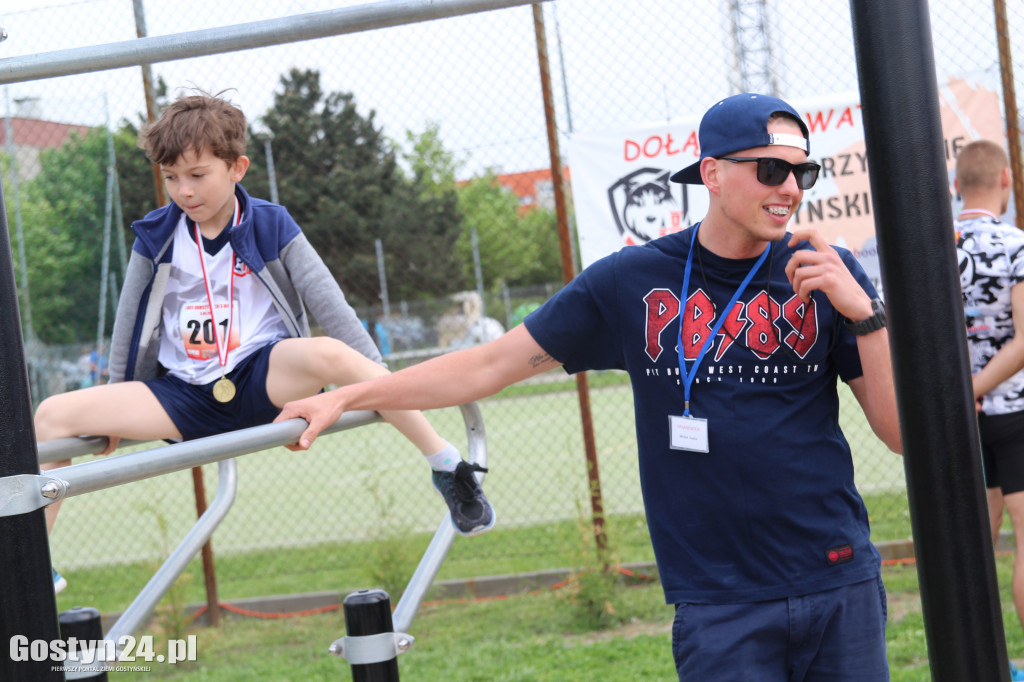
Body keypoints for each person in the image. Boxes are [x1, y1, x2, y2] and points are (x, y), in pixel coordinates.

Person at [276, 93, 901, 679]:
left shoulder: (823, 271)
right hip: (719, 600)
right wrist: (348, 394)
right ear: (712, 174)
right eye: (771, 170)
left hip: (836, 578)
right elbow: (489, 365)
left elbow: (900, 435)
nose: (790, 189)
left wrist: (865, 314)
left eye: (803, 173)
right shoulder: (633, 280)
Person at [36, 92, 493, 594]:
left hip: (262, 376)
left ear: (237, 168)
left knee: (332, 353)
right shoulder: (156, 236)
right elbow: (129, 322)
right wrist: (117, 396)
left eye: (197, 175)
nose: (183, 191)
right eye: (170, 178)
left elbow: (331, 307)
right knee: (50, 417)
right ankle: (32, 562)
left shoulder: (271, 223)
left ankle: (446, 464)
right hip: (183, 394)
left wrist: (375, 378)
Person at [954, 139, 1024, 681]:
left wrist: (959, 393)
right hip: (1015, 409)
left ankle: (979, 666)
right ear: (1005, 178)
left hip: (959, 419)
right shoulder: (1017, 246)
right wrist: (979, 385)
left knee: (973, 544)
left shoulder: (935, 248)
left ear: (956, 186)